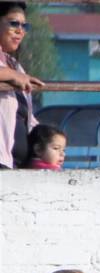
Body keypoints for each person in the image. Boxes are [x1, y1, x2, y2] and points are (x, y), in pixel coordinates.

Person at [0, 0, 42, 170]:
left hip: (15, 165)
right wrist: (11, 75)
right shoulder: (13, 71)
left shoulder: (15, 65)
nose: (20, 31)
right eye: (13, 23)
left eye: (24, 26)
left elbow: (27, 117)